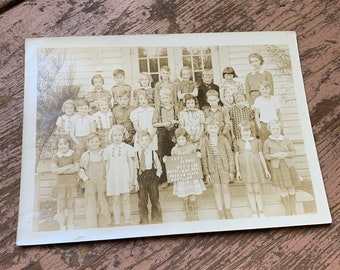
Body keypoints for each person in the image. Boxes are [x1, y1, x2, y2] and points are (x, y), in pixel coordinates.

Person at [165, 128, 206, 221]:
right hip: (182, 178)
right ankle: (187, 216)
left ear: (186, 138)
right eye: (179, 139)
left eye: (183, 139)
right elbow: (172, 163)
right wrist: (166, 160)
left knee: (193, 195)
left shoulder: (191, 146)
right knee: (185, 196)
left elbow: (196, 158)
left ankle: (195, 215)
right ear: (176, 139)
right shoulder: (174, 150)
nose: (181, 141)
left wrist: (198, 156)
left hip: (192, 177)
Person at [263, 120, 300, 216]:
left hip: (288, 166)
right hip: (277, 167)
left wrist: (285, 154)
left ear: (280, 129)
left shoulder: (286, 140)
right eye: (273, 129)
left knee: (291, 187)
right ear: (270, 130)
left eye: (277, 128)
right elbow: (266, 155)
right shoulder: (267, 142)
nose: (276, 130)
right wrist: (274, 156)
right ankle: (288, 211)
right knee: (283, 188)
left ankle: (293, 210)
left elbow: (294, 152)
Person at [234, 120, 271, 218]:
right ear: (240, 131)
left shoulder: (257, 141)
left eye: (247, 130)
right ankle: (254, 211)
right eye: (243, 131)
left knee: (257, 190)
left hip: (256, 168)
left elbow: (261, 155)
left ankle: (261, 210)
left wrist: (266, 169)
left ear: (251, 131)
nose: (245, 133)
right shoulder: (237, 142)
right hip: (245, 168)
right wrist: (238, 171)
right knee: (250, 190)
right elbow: (236, 157)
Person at [200, 118, 235, 219]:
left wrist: (231, 170)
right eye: (211, 127)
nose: (213, 130)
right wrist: (207, 173)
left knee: (225, 188)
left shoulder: (223, 140)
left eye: (215, 127)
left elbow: (230, 155)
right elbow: (204, 158)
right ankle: (220, 210)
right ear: (207, 128)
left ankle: (228, 210)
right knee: (217, 188)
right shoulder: (204, 141)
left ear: (218, 128)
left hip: (224, 166)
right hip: (212, 167)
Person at [103, 125, 138, 226]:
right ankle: (117, 222)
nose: (117, 137)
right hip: (113, 178)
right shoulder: (108, 149)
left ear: (123, 136)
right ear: (111, 136)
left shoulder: (128, 148)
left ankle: (127, 221)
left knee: (126, 199)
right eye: (115, 135)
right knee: (116, 200)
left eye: (119, 135)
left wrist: (132, 178)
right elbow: (107, 165)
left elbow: (131, 164)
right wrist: (107, 177)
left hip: (124, 176)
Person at [79, 133, 111, 228]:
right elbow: (81, 170)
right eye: (92, 142)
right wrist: (86, 179)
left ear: (100, 142)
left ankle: (105, 224)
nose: (94, 144)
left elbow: (108, 167)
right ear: (88, 143)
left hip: (102, 181)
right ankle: (91, 225)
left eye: (96, 141)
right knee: (90, 203)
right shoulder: (85, 155)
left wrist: (106, 178)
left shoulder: (104, 153)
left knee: (103, 203)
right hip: (90, 182)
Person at [51, 136, 80, 230]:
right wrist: (68, 167)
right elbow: (54, 170)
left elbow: (76, 168)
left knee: (71, 206)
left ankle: (71, 224)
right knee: (61, 206)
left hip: (71, 183)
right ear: (58, 145)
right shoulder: (56, 156)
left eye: (65, 144)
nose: (63, 146)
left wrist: (61, 170)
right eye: (60, 144)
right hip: (60, 185)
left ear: (68, 145)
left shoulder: (73, 154)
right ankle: (62, 226)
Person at [152, 88, 178, 189]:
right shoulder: (158, 109)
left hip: (173, 133)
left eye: (167, 97)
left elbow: (179, 120)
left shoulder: (175, 108)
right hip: (162, 133)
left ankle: (175, 178)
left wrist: (175, 122)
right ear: (160, 99)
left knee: (174, 154)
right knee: (163, 156)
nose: (165, 99)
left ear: (170, 98)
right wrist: (164, 124)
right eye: (163, 97)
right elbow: (154, 124)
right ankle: (165, 179)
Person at [135, 131, 163, 224]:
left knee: (155, 199)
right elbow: (134, 168)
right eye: (142, 140)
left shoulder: (152, 153)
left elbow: (159, 167)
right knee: (142, 201)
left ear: (150, 141)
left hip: (152, 176)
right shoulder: (136, 154)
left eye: (146, 140)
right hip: (141, 177)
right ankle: (144, 221)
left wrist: (157, 177)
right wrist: (135, 180)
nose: (144, 142)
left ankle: (157, 220)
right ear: (138, 141)